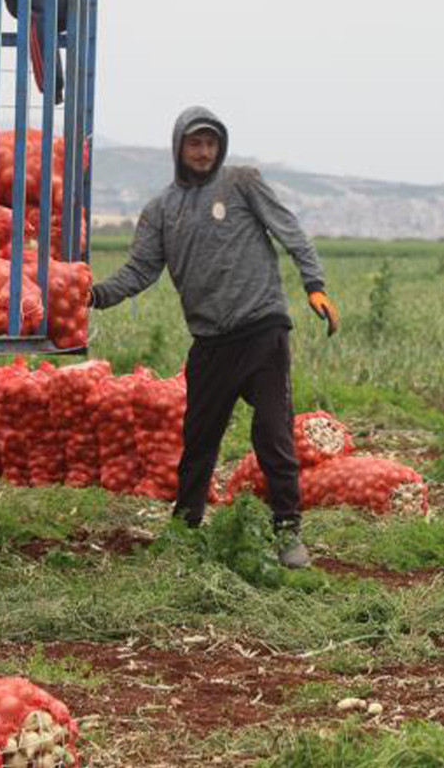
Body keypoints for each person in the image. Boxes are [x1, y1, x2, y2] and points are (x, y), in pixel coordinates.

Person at [89, 107, 340, 569]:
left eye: (210, 143)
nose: (204, 152)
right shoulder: (161, 210)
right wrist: (96, 295)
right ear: (179, 148)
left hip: (263, 329)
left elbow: (291, 233)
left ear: (219, 146)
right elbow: (141, 269)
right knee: (199, 441)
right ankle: (185, 531)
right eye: (194, 143)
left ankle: (287, 532)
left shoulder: (242, 183)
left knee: (273, 433)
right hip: (210, 342)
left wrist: (315, 286)